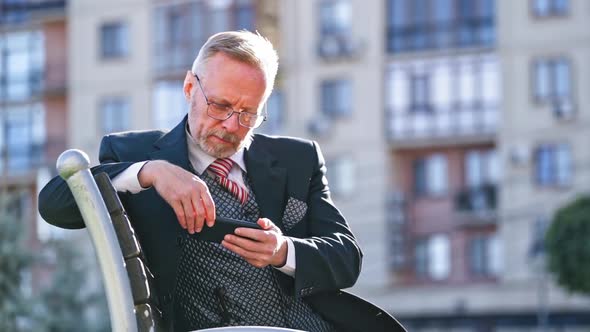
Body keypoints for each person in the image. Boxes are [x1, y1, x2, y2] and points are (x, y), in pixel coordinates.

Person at [39, 31, 401, 332]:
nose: (231, 125)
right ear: (188, 88)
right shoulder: (132, 153)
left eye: (248, 114)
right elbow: (54, 204)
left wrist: (282, 251)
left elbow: (346, 258)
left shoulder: (298, 158)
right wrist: (149, 172)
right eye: (220, 106)